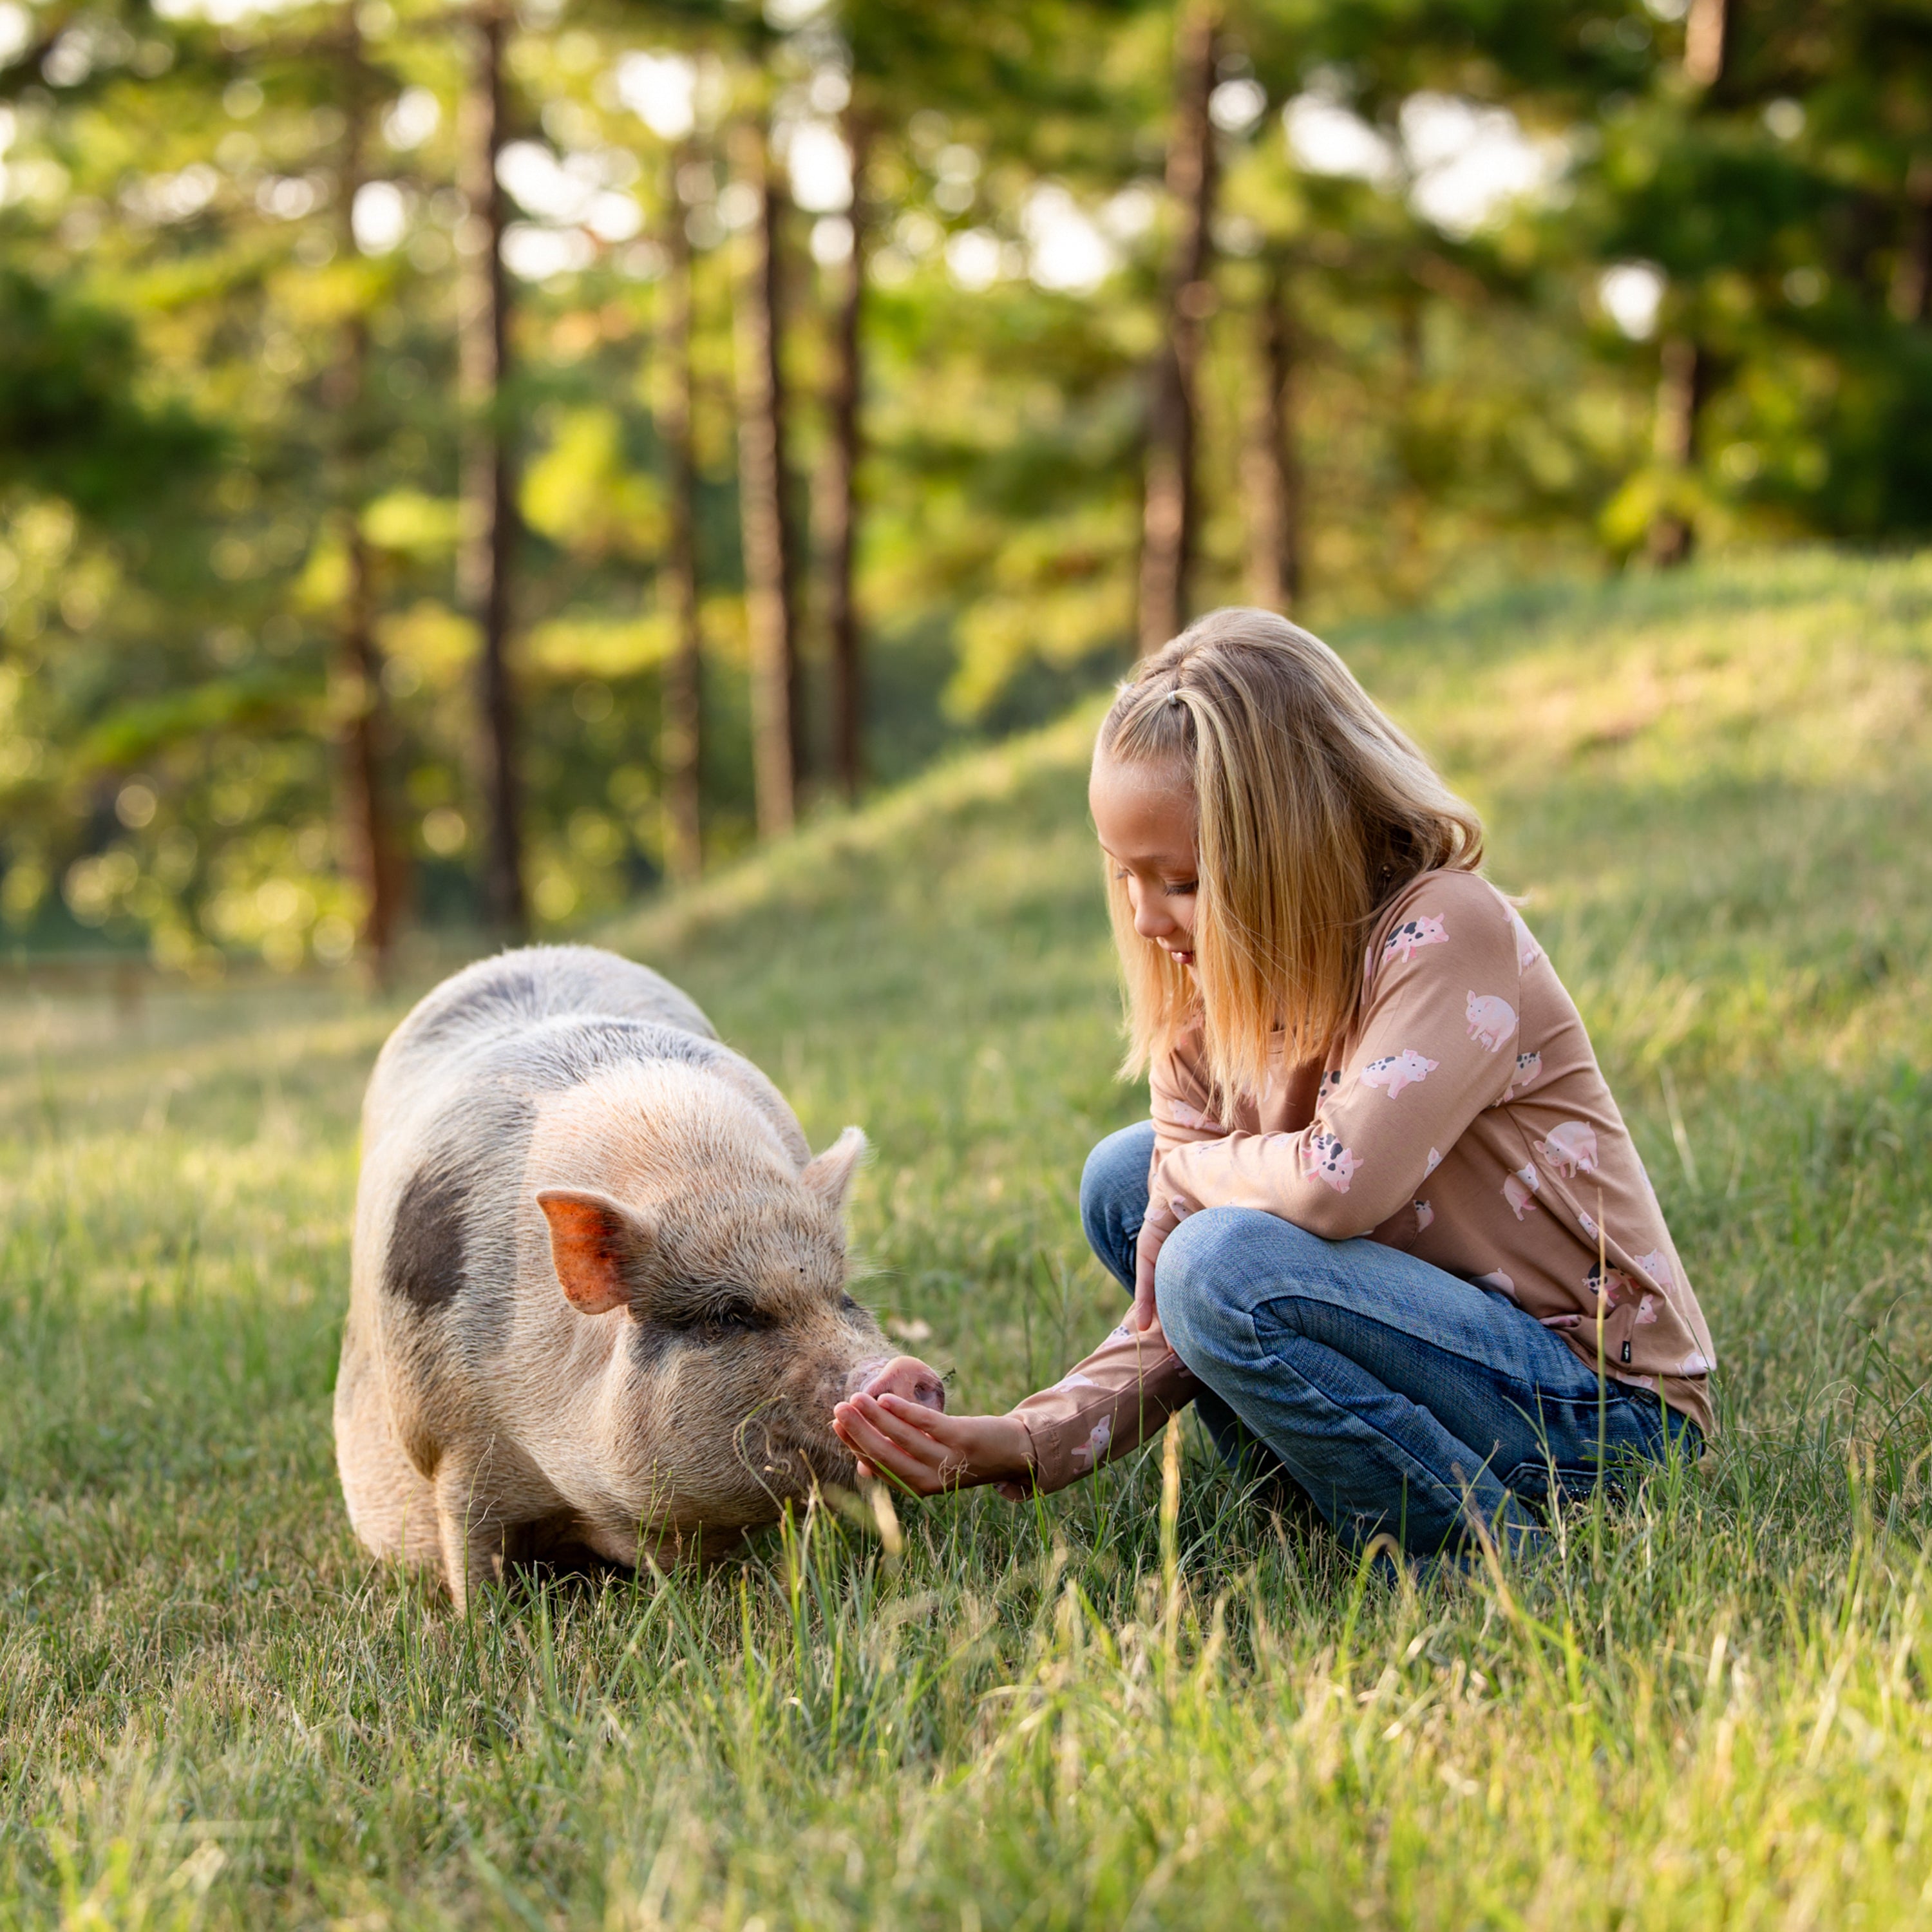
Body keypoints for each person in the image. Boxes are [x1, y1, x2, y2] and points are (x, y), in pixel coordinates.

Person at [833, 609, 1714, 1558]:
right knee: (1130, 1183)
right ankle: (1336, 1510)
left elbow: (1339, 1186)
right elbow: (1163, 1313)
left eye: (1182, 880)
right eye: (1124, 876)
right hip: (1431, 1361)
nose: (1144, 917)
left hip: (1598, 1415)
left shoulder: (1446, 931)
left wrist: (1194, 1177)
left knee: (1213, 1256)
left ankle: (1474, 1562)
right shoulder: (1206, 1015)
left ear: (1293, 841)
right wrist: (1019, 1440)